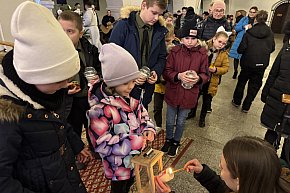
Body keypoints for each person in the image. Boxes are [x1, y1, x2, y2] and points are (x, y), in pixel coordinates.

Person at [0, 1, 92, 192]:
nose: (66, 86)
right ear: (35, 76)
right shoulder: (8, 118)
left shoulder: (45, 93)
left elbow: (57, 123)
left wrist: (76, 144)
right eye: (60, 81)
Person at [87, 43, 156, 193]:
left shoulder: (131, 96)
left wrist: (148, 128)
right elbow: (101, 144)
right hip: (117, 167)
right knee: (119, 189)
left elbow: (143, 114)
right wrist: (135, 141)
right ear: (113, 82)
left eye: (133, 81)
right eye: (126, 82)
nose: (131, 86)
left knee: (130, 183)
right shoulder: (98, 110)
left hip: (134, 160)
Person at [156, 136, 290, 193]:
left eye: (222, 167)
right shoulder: (262, 182)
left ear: (239, 180)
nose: (219, 167)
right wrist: (203, 173)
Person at [58, 11, 101, 161]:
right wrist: (62, 88)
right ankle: (77, 155)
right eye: (60, 30)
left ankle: (96, 150)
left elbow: (98, 67)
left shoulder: (89, 49)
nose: (64, 36)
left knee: (93, 126)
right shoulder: (54, 53)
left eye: (70, 31)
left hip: (88, 97)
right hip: (69, 99)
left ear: (81, 33)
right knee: (73, 128)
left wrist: (98, 77)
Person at [160, 25, 209, 157]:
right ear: (181, 39)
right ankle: (168, 139)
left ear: (197, 40)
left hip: (189, 94)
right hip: (173, 92)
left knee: (181, 121)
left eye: (193, 38)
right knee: (170, 120)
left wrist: (199, 78)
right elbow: (167, 71)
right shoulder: (174, 52)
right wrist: (178, 76)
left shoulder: (202, 54)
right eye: (186, 38)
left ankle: (176, 142)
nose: (189, 41)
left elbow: (206, 74)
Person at [109, 0, 168, 109]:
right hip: (124, 90)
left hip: (146, 89)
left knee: (142, 117)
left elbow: (161, 57)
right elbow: (111, 57)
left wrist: (156, 71)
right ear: (144, 5)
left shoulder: (159, 31)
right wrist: (132, 76)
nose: (156, 18)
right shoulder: (124, 26)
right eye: (154, 13)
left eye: (160, 14)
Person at [232, 10, 275, 113]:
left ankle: (237, 101)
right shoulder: (270, 33)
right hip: (261, 64)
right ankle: (246, 106)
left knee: (241, 82)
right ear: (266, 19)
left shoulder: (249, 32)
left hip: (247, 63)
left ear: (255, 19)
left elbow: (241, 49)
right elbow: (272, 48)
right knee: (254, 86)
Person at [261, 30, 290, 164]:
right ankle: (264, 163)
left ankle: (285, 170)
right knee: (271, 133)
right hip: (278, 97)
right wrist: (266, 92)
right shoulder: (286, 49)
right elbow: (274, 72)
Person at [197, 29, 230, 128]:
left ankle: (202, 118)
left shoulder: (223, 54)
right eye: (219, 42)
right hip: (200, 78)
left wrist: (216, 70)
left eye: (224, 43)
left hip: (211, 81)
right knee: (195, 96)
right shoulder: (204, 47)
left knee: (207, 100)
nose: (221, 45)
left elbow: (226, 68)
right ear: (214, 39)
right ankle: (192, 112)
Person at [153, 22, 179, 132]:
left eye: (167, 41)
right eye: (163, 40)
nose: (165, 43)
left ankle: (171, 124)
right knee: (157, 108)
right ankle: (158, 125)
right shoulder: (157, 47)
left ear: (173, 37)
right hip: (158, 85)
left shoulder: (177, 50)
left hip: (171, 86)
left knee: (172, 107)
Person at [229, 6, 258, 79]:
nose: (251, 13)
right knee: (236, 57)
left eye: (253, 12)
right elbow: (237, 28)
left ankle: (243, 72)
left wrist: (252, 27)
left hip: (249, 41)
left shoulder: (257, 21)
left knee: (244, 58)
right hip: (240, 40)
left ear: (256, 13)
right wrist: (243, 26)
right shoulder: (244, 19)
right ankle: (235, 71)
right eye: (250, 12)